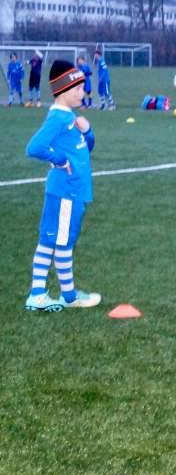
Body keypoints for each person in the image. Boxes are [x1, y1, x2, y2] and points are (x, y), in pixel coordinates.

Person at [23, 59, 102, 312]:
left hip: (66, 190)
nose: (82, 92)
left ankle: (38, 294)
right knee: (63, 243)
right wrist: (60, 159)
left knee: (49, 240)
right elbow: (34, 147)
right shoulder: (58, 117)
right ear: (63, 90)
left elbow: (85, 149)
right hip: (67, 191)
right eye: (77, 88)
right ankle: (69, 297)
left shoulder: (69, 116)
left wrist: (88, 132)